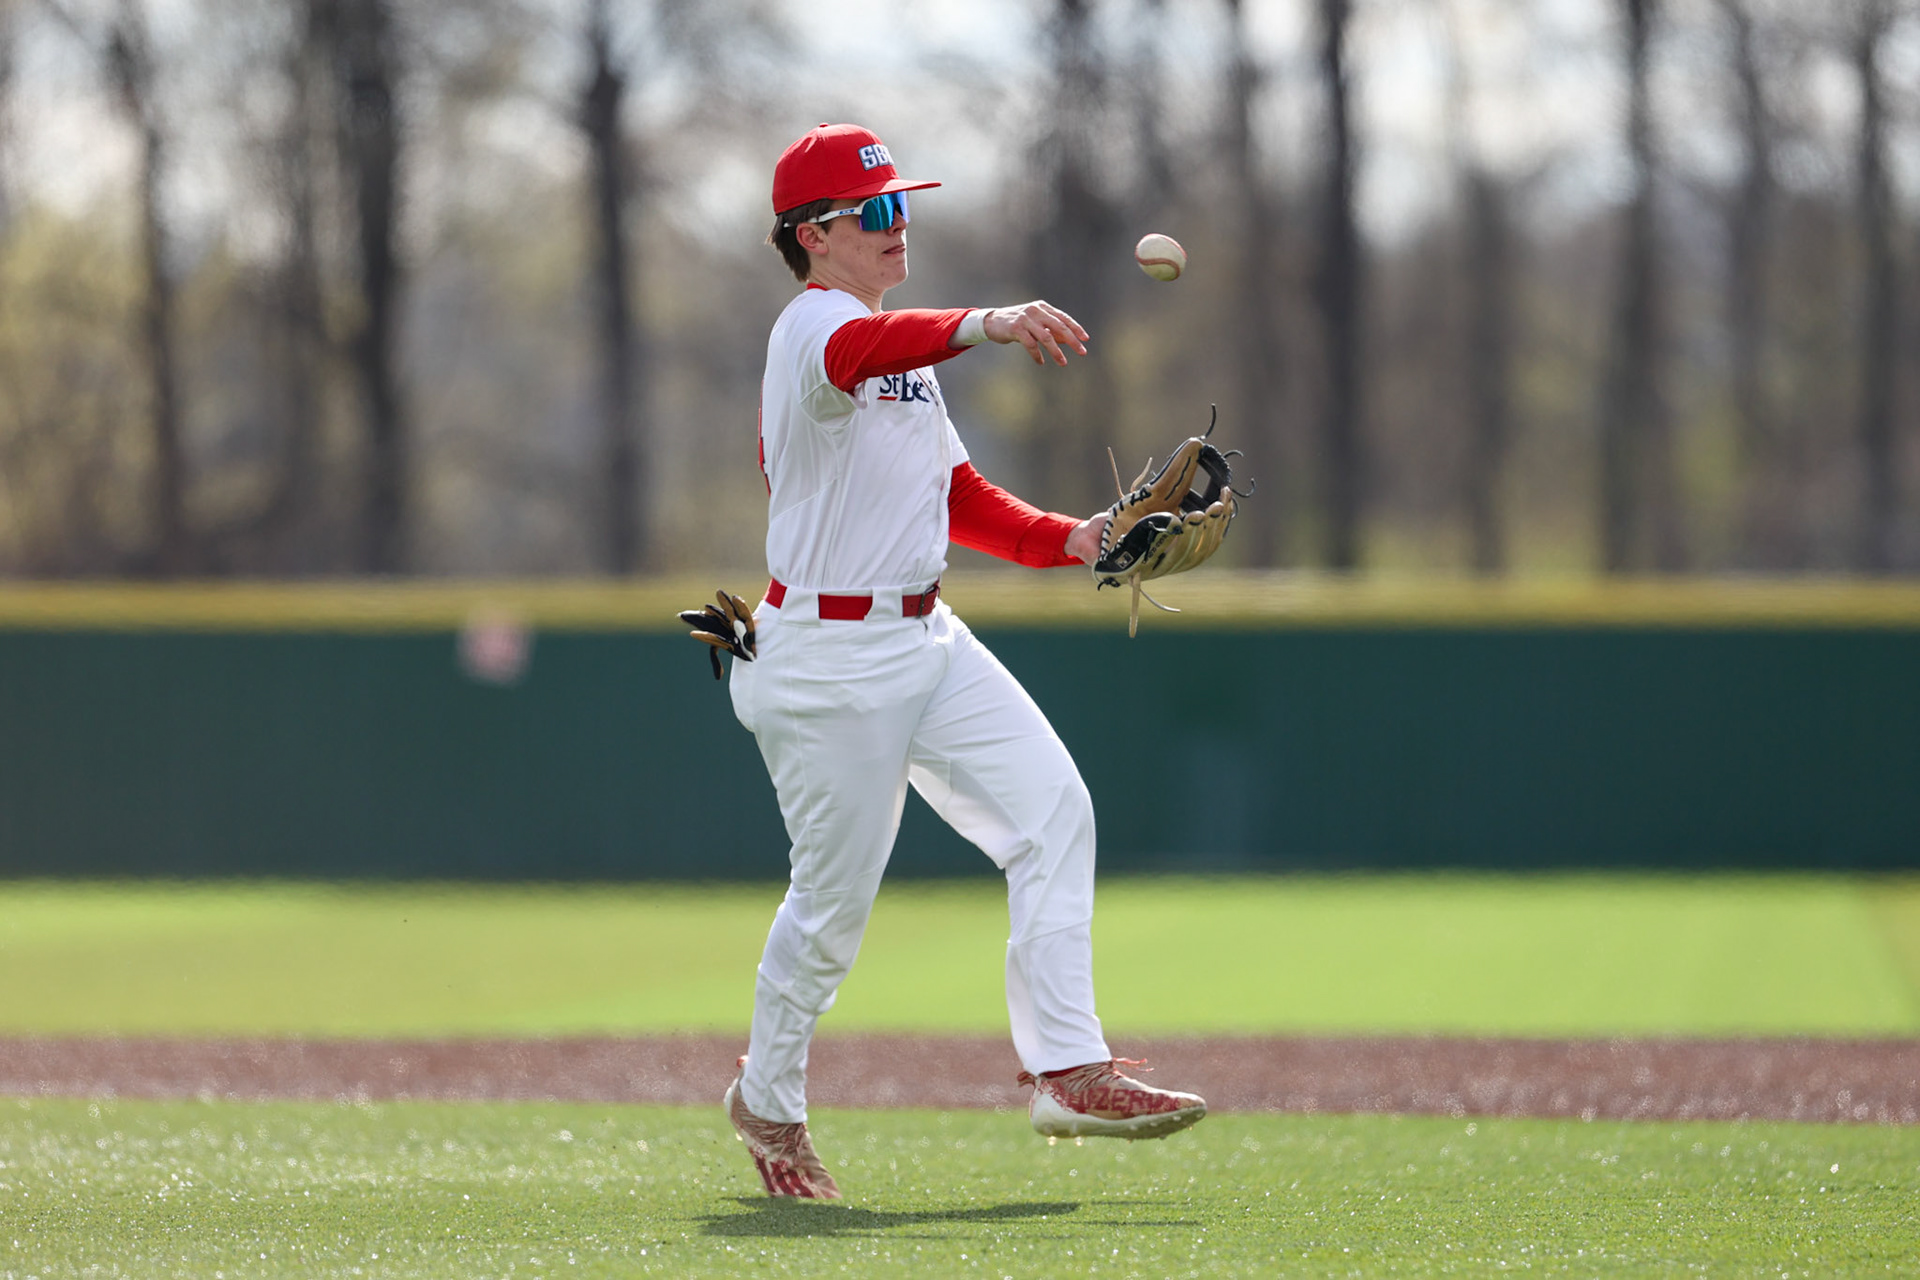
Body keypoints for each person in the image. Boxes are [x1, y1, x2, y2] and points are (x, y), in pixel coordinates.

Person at [723, 123, 1206, 1201]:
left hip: (925, 638)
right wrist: (987, 322)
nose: (902, 226)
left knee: (1054, 809)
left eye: (904, 206)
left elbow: (958, 498)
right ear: (813, 235)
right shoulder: (814, 331)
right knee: (832, 910)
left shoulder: (895, 344)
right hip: (826, 658)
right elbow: (861, 357)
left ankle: (1065, 1066)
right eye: (880, 210)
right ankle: (768, 1091)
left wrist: (1073, 536)